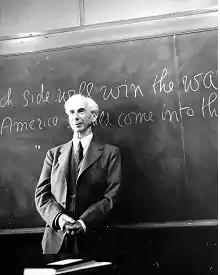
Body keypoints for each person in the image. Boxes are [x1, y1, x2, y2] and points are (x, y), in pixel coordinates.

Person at [35, 94, 121, 257]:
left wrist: (83, 222)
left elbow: (112, 196)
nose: (75, 117)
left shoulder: (111, 153)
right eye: (71, 112)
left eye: (81, 111)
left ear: (93, 116)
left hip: (94, 240)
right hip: (56, 243)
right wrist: (60, 219)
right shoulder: (53, 155)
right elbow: (41, 196)